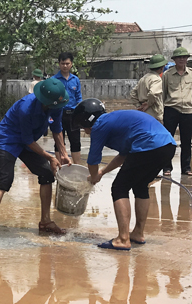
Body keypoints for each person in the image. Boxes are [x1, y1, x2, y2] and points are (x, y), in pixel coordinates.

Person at [73, 99, 176, 250]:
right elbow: (123, 156)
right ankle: (138, 234)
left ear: (86, 121)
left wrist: (94, 176)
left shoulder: (99, 126)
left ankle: (122, 239)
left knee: (119, 188)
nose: (84, 131)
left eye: (83, 127)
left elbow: (93, 159)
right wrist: (102, 173)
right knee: (140, 186)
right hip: (167, 146)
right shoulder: (114, 120)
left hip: (148, 145)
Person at [0, 79, 71, 243]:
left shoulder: (57, 104)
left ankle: (45, 221)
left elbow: (57, 128)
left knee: (47, 173)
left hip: (27, 143)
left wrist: (63, 153)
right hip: (7, 141)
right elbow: (27, 140)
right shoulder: (26, 108)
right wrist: (50, 157)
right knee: (5, 179)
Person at [162, 47, 192, 176]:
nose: (182, 59)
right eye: (179, 57)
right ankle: (167, 168)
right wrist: (161, 111)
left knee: (186, 141)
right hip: (171, 109)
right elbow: (163, 93)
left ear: (187, 59)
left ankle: (186, 168)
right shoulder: (167, 75)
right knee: (168, 140)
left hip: (188, 111)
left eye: (184, 57)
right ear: (174, 60)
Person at [51, 52, 83, 164]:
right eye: (62, 63)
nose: (65, 66)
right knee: (59, 141)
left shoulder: (75, 79)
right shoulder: (54, 80)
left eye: (67, 63)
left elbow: (78, 97)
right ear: (59, 64)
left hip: (73, 114)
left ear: (71, 64)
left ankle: (77, 166)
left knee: (75, 141)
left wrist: (80, 111)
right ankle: (60, 167)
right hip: (58, 114)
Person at [130, 54, 168, 122]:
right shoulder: (157, 79)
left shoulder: (144, 78)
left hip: (143, 111)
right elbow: (153, 93)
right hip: (153, 112)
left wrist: (139, 106)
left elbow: (133, 93)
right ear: (161, 67)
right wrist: (148, 104)